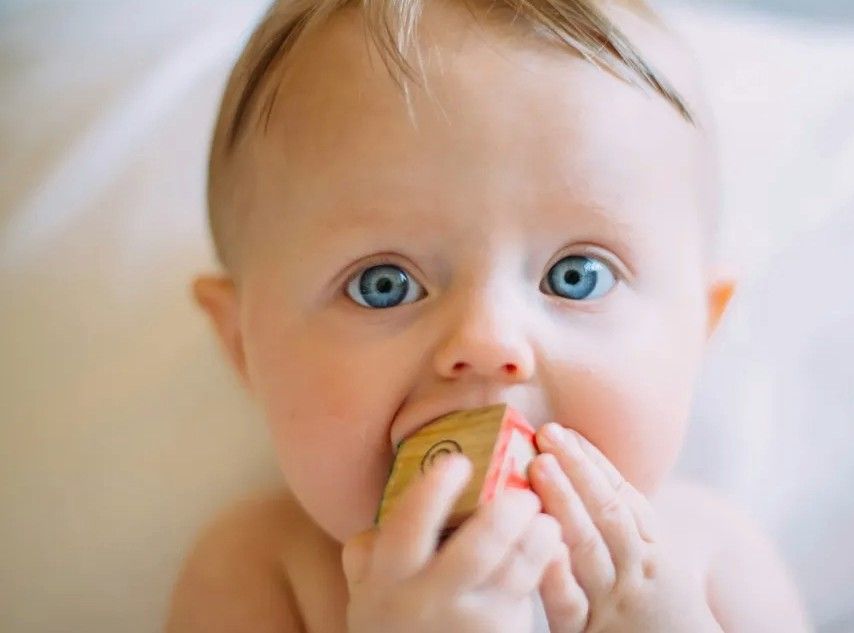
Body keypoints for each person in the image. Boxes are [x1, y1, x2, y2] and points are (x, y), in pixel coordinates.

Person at [168, 0, 809, 630]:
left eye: (576, 277)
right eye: (383, 284)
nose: (487, 340)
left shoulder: (713, 561)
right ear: (244, 345)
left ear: (698, 332)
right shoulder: (257, 572)